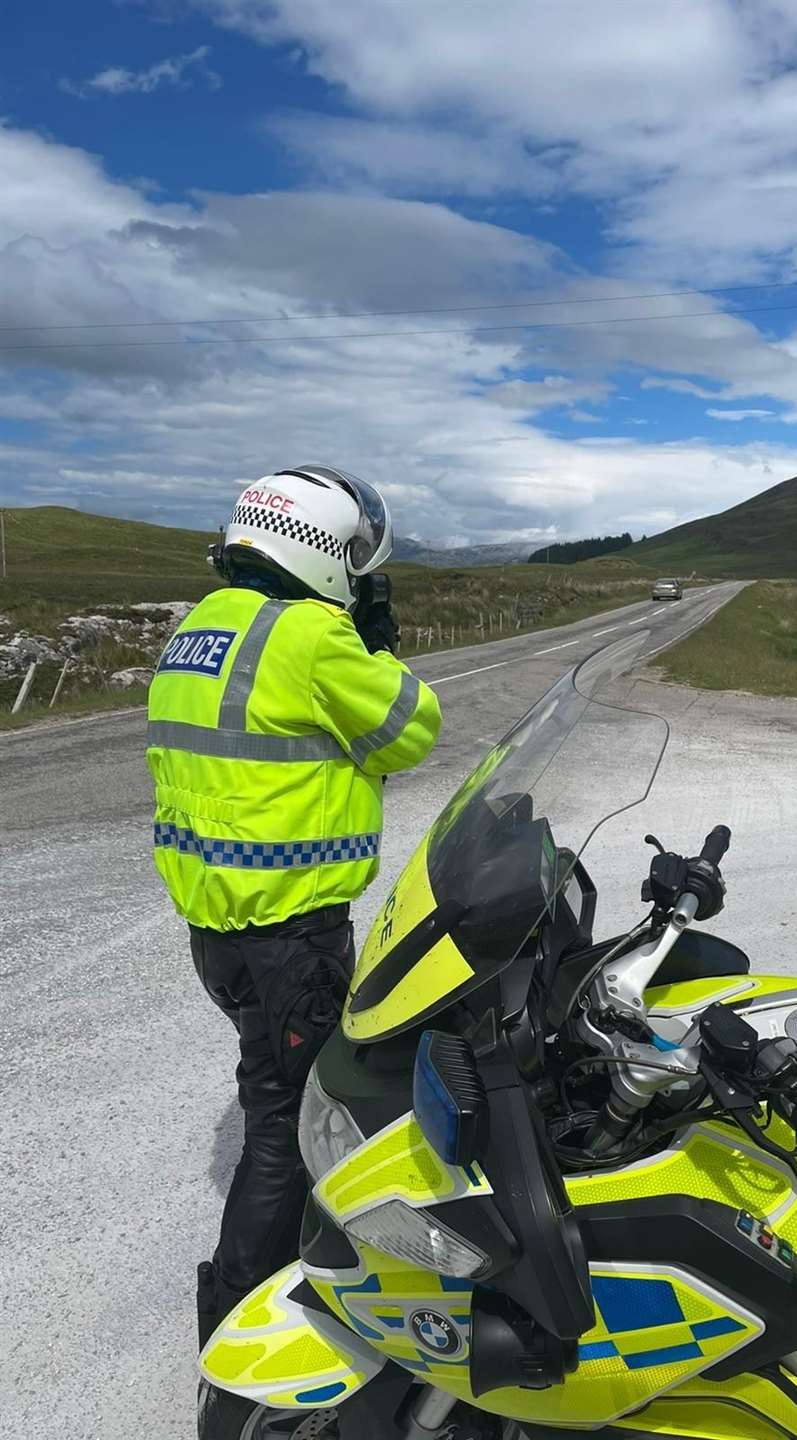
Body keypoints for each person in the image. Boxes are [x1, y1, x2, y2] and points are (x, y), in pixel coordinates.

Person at [145, 465, 441, 1357]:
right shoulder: (311, 635)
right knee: (292, 1117)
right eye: (352, 554)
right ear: (319, 550)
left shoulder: (199, 627)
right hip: (291, 933)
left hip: (217, 931)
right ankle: (241, 1318)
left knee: (282, 1096)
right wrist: (377, 644)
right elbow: (412, 730)